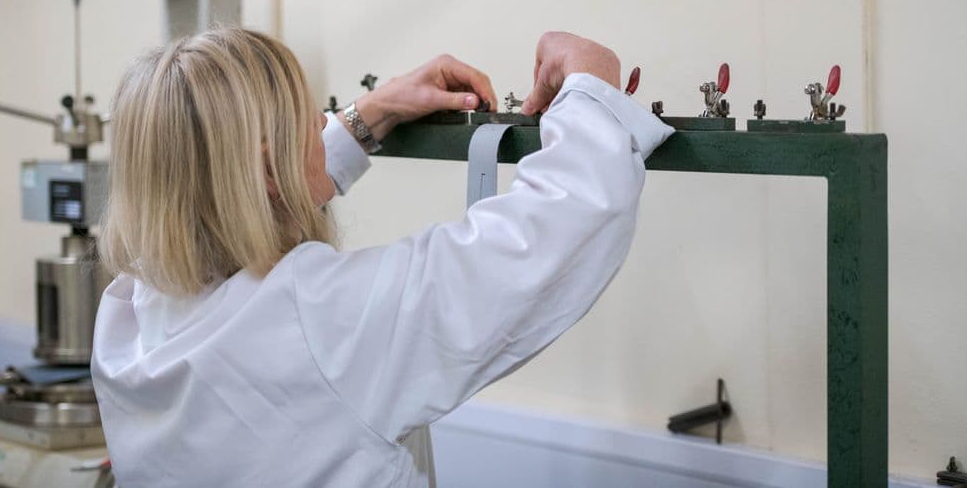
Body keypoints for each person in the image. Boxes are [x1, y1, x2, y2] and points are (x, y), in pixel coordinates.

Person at [91, 28, 674, 487]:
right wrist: (592, 84)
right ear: (270, 168)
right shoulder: (320, 320)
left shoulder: (127, 318)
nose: (322, 129)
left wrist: (367, 117)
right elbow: (557, 228)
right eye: (308, 121)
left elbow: (242, 189)